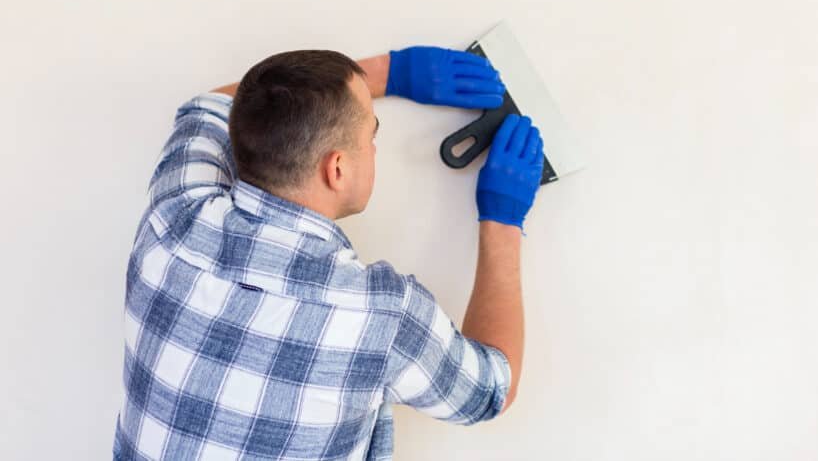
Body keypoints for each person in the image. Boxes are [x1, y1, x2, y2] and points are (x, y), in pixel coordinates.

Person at [112, 46, 544, 460]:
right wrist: (502, 218)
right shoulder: (380, 314)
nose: (374, 147)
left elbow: (209, 106)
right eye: (371, 134)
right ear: (337, 169)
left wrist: (386, 72)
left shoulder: (173, 218)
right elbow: (491, 389)